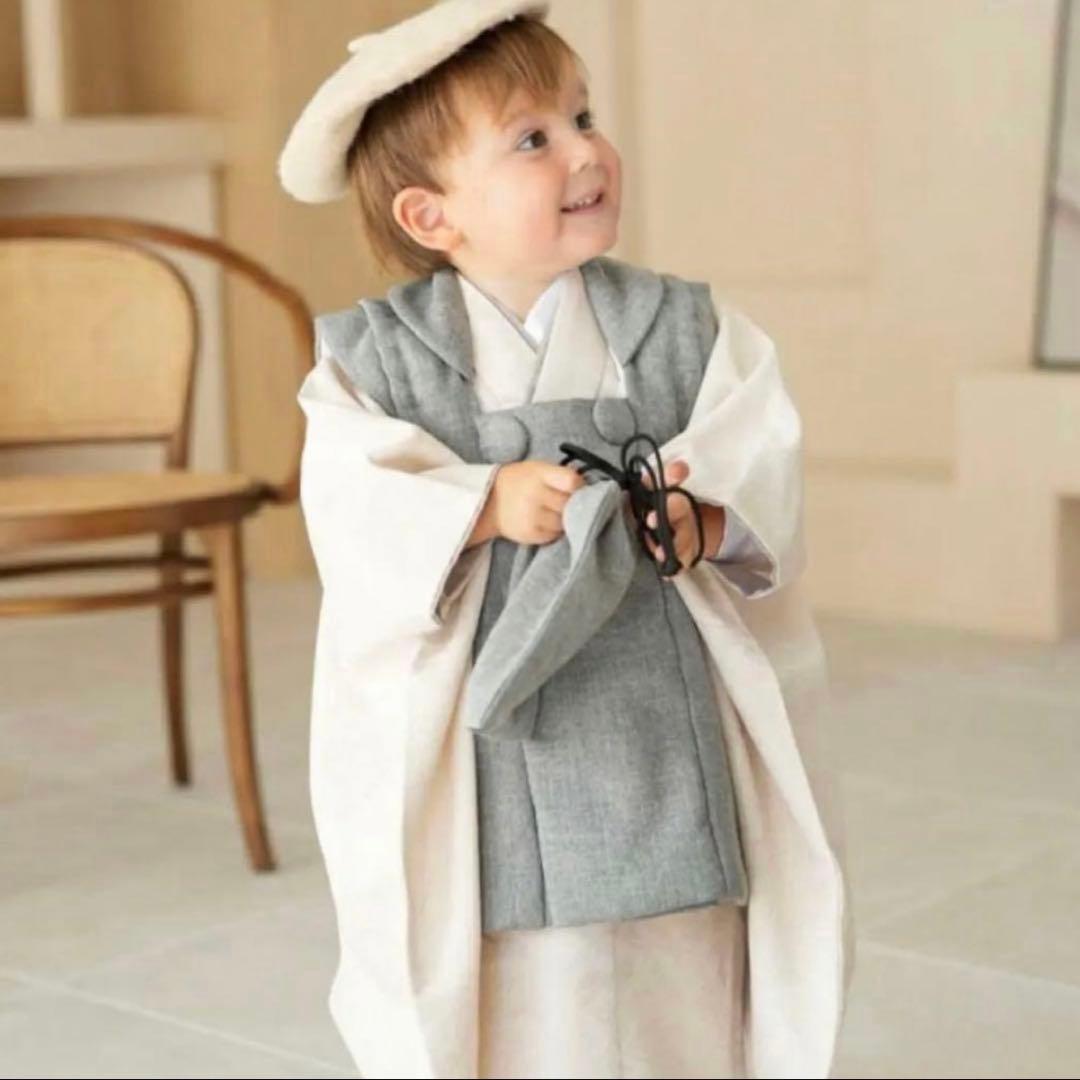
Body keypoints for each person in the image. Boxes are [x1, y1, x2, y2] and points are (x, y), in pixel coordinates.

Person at [278, 2, 856, 1077]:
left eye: (583, 116)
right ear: (431, 214)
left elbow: (757, 451)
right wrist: (480, 506)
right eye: (532, 138)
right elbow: (354, 508)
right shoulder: (378, 360)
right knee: (520, 965)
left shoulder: (683, 328)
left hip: (658, 701)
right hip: (499, 730)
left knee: (679, 934)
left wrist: (704, 518)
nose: (586, 151)